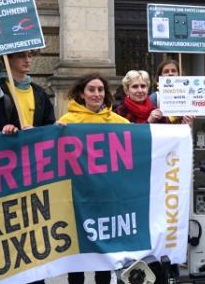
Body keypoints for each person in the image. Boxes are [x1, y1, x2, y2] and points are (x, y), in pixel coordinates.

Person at [59, 73, 128, 284]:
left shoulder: (119, 122)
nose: (97, 94)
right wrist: (56, 134)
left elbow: (140, 144)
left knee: (103, 256)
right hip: (77, 197)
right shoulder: (66, 122)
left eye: (100, 90)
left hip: (106, 198)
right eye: (92, 89)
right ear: (82, 93)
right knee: (77, 253)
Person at [0, 50, 56, 129]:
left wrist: (57, 126)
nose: (27, 60)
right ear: (8, 59)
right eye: (21, 56)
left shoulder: (40, 92)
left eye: (29, 56)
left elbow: (49, 124)